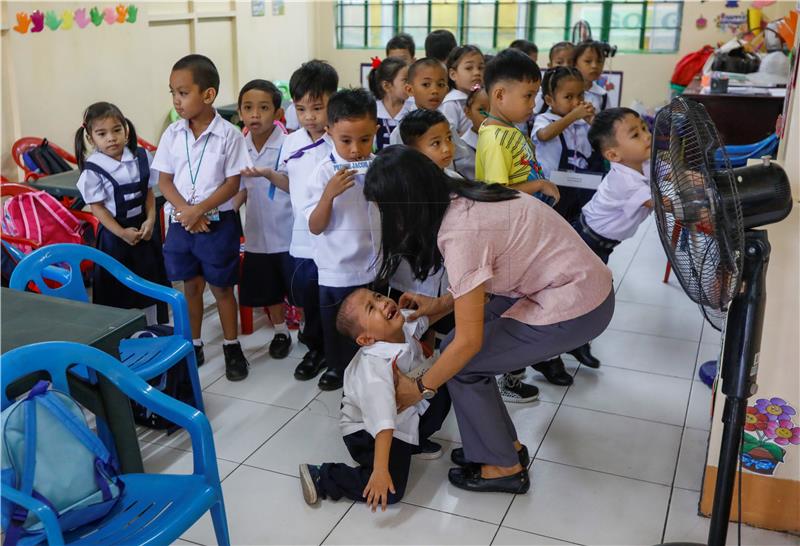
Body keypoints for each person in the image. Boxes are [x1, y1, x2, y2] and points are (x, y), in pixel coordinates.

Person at [364, 146, 614, 494]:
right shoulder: (459, 194)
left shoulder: (460, 232)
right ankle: (502, 448)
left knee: (464, 364)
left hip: (576, 304)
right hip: (570, 285)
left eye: (385, 209)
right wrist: (439, 306)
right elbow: (481, 278)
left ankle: (504, 468)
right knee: (454, 350)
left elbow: (469, 343)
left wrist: (419, 388)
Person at [299, 289, 451, 509]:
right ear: (367, 339)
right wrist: (381, 470)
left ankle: (413, 445)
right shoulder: (375, 369)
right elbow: (383, 423)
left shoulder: (399, 322)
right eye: (371, 308)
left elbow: (426, 317)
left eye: (378, 297)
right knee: (392, 490)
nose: (382, 303)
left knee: (441, 394)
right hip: (368, 431)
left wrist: (460, 302)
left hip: (403, 408)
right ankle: (323, 477)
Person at [477, 49, 570, 396]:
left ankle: (513, 373)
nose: (534, 104)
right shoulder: (495, 137)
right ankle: (509, 379)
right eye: (528, 95)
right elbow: (497, 191)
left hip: (525, 229)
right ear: (499, 95)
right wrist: (538, 185)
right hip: (510, 237)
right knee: (513, 307)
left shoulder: (509, 131)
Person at [153, 54, 251, 381]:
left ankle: (231, 345)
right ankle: (193, 343)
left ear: (208, 95)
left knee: (222, 289)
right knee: (190, 287)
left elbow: (232, 183)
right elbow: (164, 180)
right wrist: (188, 212)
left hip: (218, 224)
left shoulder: (229, 135)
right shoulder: (172, 134)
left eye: (183, 92)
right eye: (172, 93)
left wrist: (199, 210)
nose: (176, 101)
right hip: (183, 224)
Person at [266, 60, 338, 386]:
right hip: (302, 239)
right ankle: (316, 349)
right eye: (301, 108)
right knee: (309, 297)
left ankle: (338, 356)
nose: (309, 116)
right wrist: (268, 176)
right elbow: (289, 182)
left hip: (338, 238)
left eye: (318, 107)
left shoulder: (342, 141)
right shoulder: (291, 142)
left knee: (335, 299)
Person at [304, 88, 381, 391]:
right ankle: (337, 367)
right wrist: (328, 195)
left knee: (372, 323)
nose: (355, 150)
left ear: (375, 131)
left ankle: (372, 368)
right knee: (338, 325)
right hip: (338, 270)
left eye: (364, 139)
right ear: (329, 132)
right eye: (345, 140)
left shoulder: (377, 166)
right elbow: (314, 226)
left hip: (374, 265)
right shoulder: (322, 173)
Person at [74, 102, 168, 326]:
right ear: (90, 138)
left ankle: (154, 331)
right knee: (118, 291)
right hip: (115, 238)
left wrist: (151, 220)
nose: (111, 138)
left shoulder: (142, 157)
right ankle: (124, 336)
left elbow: (148, 193)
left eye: (117, 130)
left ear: (126, 129)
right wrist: (121, 233)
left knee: (151, 284)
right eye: (102, 133)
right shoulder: (94, 169)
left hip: (145, 233)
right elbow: (98, 208)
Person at [232, 79, 294, 359]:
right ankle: (280, 331)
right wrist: (224, 212)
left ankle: (306, 329)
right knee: (268, 289)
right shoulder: (239, 147)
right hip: (257, 233)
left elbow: (296, 186)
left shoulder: (290, 144)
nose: (255, 114)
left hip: (289, 232)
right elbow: (241, 191)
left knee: (296, 286)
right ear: (239, 112)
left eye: (263, 108)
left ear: (278, 114)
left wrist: (269, 174)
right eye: (248, 108)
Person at [579, 107, 654, 263]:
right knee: (587, 276)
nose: (647, 136)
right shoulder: (624, 182)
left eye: (644, 128)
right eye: (636, 135)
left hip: (603, 240)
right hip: (589, 239)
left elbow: (665, 172)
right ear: (613, 155)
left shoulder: (642, 161)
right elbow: (663, 204)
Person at [368, 57, 411, 151]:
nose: (410, 84)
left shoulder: (413, 108)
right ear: (387, 86)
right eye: (405, 80)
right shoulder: (372, 111)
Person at [441, 45, 484, 136]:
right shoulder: (452, 103)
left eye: (480, 68)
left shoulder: (486, 98)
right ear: (453, 74)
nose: (477, 73)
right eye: (469, 68)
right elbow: (450, 136)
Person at [533, 41, 575, 115]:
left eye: (570, 62)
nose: (565, 66)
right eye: (559, 62)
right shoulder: (543, 91)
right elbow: (534, 113)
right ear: (550, 66)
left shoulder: (582, 91)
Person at [457, 86, 489, 180]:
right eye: (482, 110)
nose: (489, 116)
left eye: (495, 110)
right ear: (467, 112)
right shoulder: (463, 149)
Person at [573, 40, 609, 113]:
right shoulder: (562, 92)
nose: (594, 66)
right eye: (588, 61)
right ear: (574, 63)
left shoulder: (603, 96)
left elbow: (607, 123)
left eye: (599, 61)